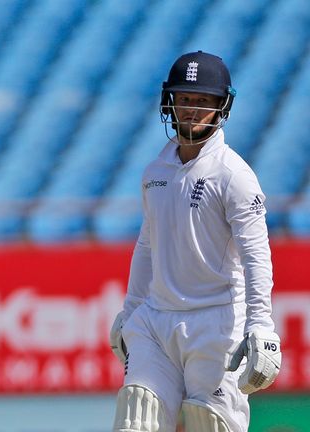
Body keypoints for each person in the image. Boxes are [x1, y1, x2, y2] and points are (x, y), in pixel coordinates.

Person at [108, 51, 281, 432]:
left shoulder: (233, 175)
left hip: (217, 322)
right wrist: (131, 309)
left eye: (203, 101)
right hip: (157, 319)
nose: (192, 110)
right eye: (185, 99)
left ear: (221, 107)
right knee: (138, 417)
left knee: (210, 424)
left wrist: (262, 326)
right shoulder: (156, 171)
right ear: (170, 103)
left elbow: (256, 255)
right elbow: (147, 245)